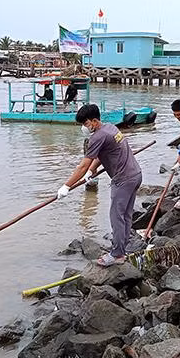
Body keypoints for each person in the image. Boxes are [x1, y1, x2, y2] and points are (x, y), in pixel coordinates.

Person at [56, 104, 143, 267]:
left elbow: (81, 166)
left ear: (94, 121)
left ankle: (117, 254)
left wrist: (66, 186)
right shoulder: (110, 128)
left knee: (116, 217)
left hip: (123, 180)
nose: (84, 127)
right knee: (126, 215)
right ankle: (122, 249)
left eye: (85, 123)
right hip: (136, 174)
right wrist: (91, 171)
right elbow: (101, 155)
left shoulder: (97, 137)